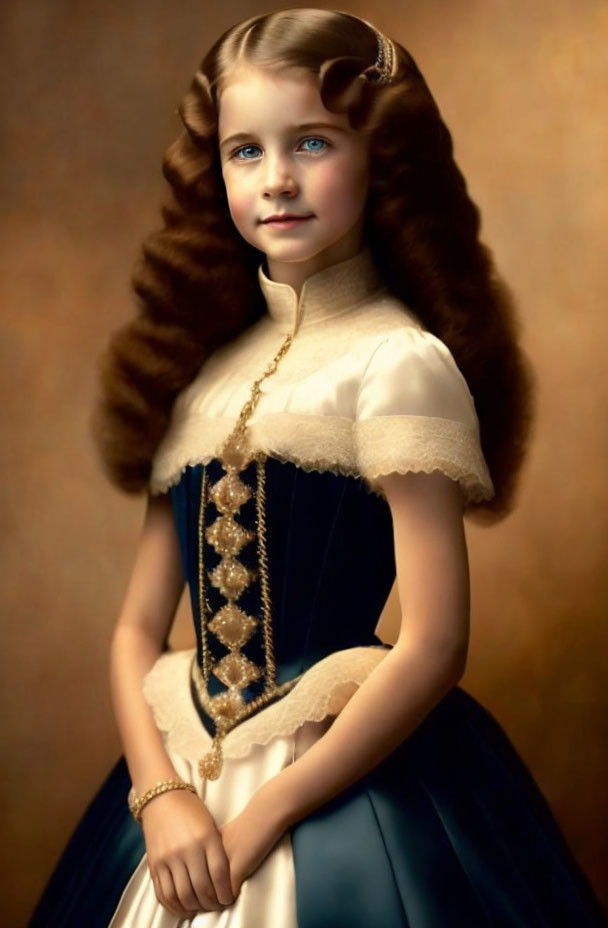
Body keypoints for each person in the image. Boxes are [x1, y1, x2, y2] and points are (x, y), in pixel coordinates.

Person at [28, 8, 607, 927]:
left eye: (312, 142)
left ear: (379, 153)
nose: (278, 180)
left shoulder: (396, 361)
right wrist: (161, 796)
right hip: (175, 782)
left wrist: (262, 819)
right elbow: (136, 632)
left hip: (346, 782)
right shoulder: (201, 374)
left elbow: (434, 643)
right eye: (244, 152)